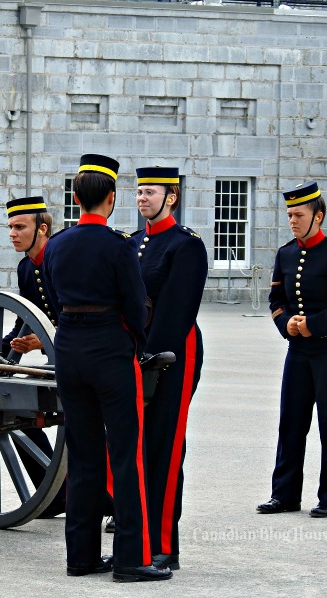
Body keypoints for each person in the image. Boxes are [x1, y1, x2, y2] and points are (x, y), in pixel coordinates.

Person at [43, 154, 171, 583]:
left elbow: (54, 301)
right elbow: (136, 307)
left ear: (76, 198)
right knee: (126, 456)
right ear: (112, 199)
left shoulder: (57, 244)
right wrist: (137, 340)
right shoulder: (120, 246)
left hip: (69, 350)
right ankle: (131, 558)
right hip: (110, 352)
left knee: (82, 457)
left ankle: (80, 556)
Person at [110, 166, 207, 573]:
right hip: (137, 353)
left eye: (150, 192)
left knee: (165, 449)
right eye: (139, 192)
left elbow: (177, 310)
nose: (142, 198)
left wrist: (150, 354)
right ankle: (140, 537)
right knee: (138, 448)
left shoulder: (186, 246)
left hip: (173, 355)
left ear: (172, 197)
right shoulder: (133, 243)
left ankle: (166, 544)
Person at [257, 181, 327, 518]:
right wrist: (285, 323)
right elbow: (276, 300)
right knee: (291, 421)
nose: (293, 220)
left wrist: (314, 324)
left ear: (318, 216)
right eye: (289, 215)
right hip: (299, 351)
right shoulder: (286, 253)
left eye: (299, 214)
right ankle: (285, 495)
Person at [2, 197, 66, 518]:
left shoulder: (61, 259)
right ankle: (54, 494)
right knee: (15, 409)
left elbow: (74, 316)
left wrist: (40, 344)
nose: (12, 233)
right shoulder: (26, 267)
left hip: (79, 355)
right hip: (58, 357)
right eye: (10, 227)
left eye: (19, 227)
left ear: (42, 229)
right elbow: (24, 318)